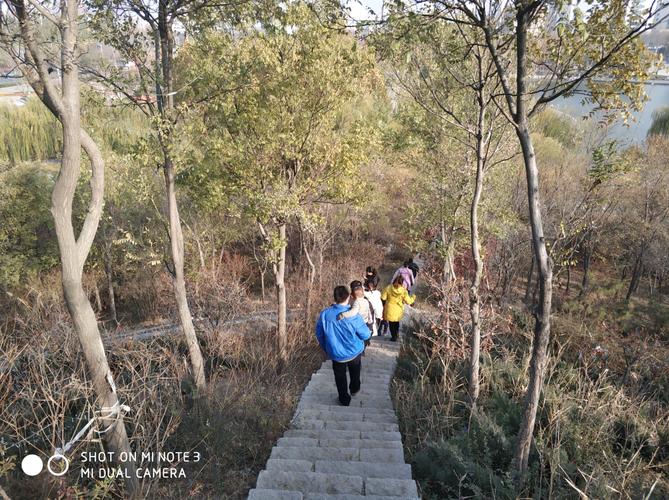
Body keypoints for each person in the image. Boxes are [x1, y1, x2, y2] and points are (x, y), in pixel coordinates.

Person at [316, 285, 371, 406]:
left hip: (336, 353)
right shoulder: (353, 315)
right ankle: (354, 388)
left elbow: (319, 334)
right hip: (354, 351)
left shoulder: (325, 314)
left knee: (339, 376)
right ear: (348, 297)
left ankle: (344, 399)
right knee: (355, 372)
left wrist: (327, 348)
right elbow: (366, 334)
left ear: (334, 298)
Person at [381, 275, 416, 341]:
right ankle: (396, 335)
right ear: (402, 282)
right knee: (396, 323)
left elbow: (383, 297)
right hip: (398, 309)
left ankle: (393, 336)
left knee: (391, 323)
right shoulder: (403, 291)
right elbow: (408, 301)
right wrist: (413, 297)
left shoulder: (388, 288)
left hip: (389, 308)